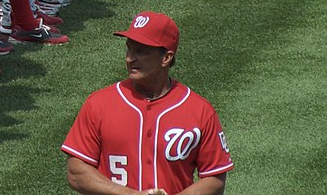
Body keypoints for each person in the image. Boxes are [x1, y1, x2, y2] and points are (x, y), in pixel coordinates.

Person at [62, 11, 233, 195]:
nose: (130, 58)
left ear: (166, 58)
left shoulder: (199, 111)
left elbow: (215, 178)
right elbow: (76, 172)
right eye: (129, 49)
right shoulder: (99, 104)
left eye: (141, 51)